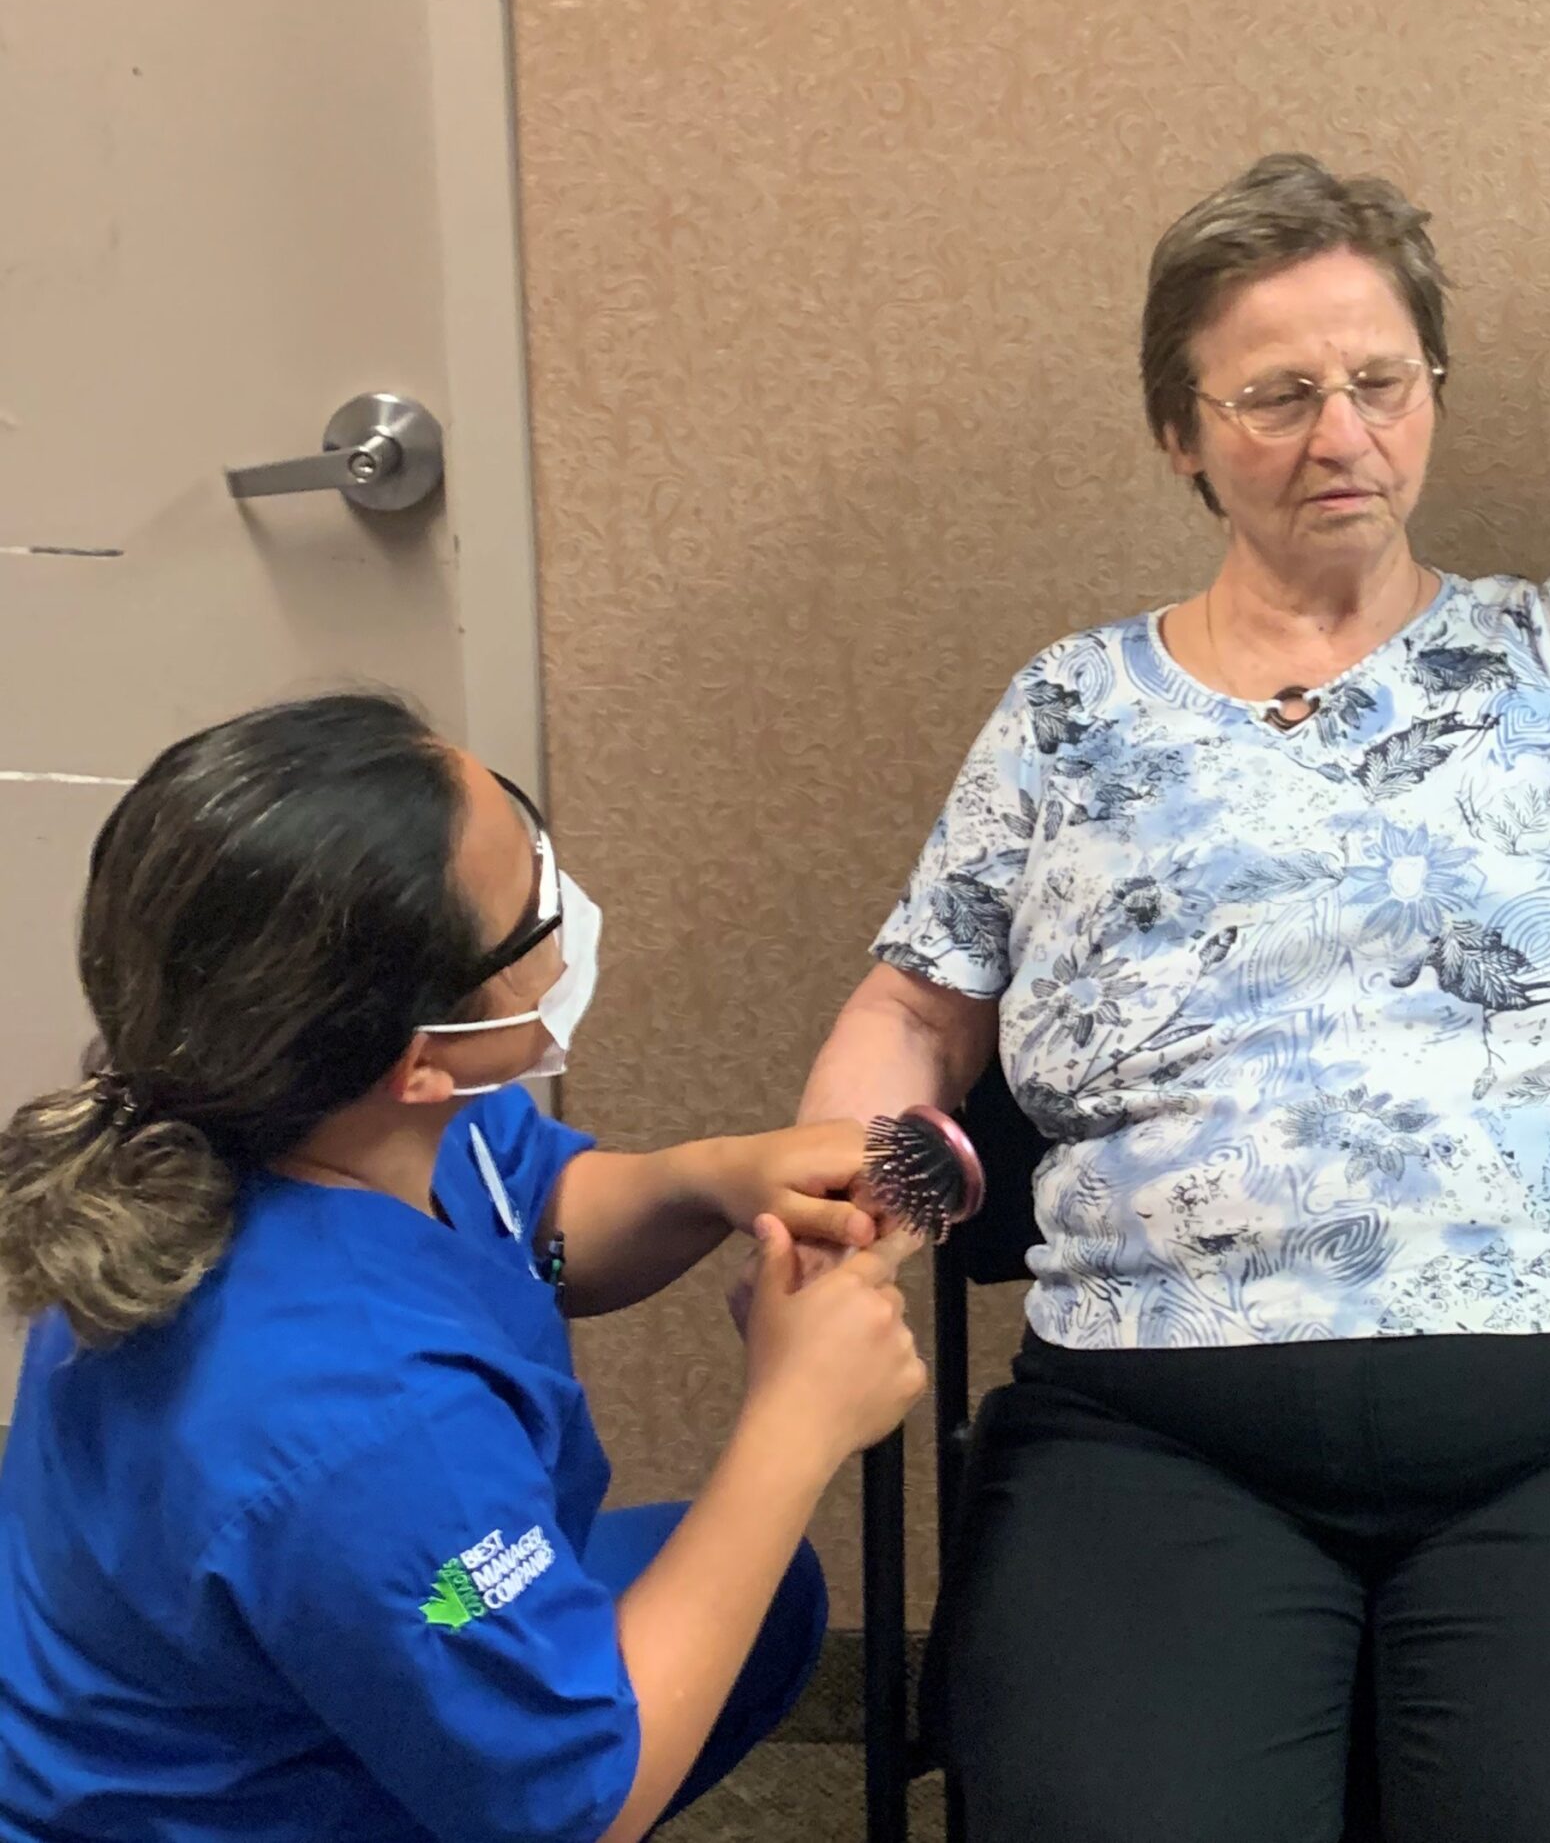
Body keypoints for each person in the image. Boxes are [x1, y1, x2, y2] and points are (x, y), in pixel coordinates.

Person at [801, 153, 1550, 1843]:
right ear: (1181, 433)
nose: (1342, 435)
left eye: (1381, 383)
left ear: (1433, 395)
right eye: (1277, 397)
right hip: (1154, 1443)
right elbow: (915, 1010)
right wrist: (836, 1226)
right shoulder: (1066, 710)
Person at [0, 693, 928, 1842]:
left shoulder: (296, 1113)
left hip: (338, 1617)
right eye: (532, 901)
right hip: (241, 1794)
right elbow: (580, 1806)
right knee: (669, 1628)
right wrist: (795, 1425)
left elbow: (526, 1220)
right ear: (418, 1058)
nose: (560, 900)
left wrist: (706, 1179)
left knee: (760, 1600)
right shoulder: (361, 1422)